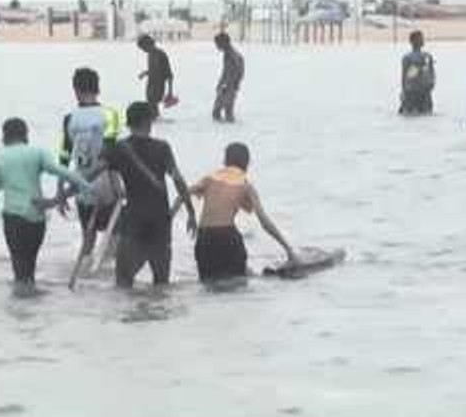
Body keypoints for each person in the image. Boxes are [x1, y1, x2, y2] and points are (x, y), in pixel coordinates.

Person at [0, 118, 91, 289]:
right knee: (30, 265)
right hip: (37, 219)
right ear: (26, 135)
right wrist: (87, 186)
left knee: (19, 270)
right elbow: (61, 171)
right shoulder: (38, 153)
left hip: (14, 219)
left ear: (4, 137)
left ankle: (23, 300)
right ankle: (31, 297)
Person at [99, 101, 196, 288]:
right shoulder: (162, 148)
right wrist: (191, 212)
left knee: (123, 284)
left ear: (129, 123)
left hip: (133, 220)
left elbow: (101, 170)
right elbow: (178, 180)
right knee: (161, 284)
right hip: (160, 221)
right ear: (148, 121)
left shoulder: (119, 148)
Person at [189, 143, 295, 281]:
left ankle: (254, 273)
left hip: (204, 239)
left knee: (209, 284)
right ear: (247, 164)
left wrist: (187, 215)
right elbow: (264, 222)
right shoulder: (245, 185)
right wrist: (288, 249)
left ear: (225, 162)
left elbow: (183, 193)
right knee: (238, 283)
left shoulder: (209, 179)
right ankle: (270, 277)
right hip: (227, 237)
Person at [56, 67, 124, 265]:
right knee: (115, 234)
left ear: (76, 90)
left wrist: (60, 189)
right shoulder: (110, 115)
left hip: (81, 186)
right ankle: (105, 274)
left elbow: (64, 156)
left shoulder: (69, 118)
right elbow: (110, 154)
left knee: (88, 237)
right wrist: (117, 185)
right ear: (98, 88)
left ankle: (83, 272)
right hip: (106, 184)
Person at [137, 34, 174, 119]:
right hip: (151, 84)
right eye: (142, 49)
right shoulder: (150, 54)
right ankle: (156, 121)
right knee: (152, 106)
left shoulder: (161, 54)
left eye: (143, 48)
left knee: (153, 104)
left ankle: (155, 120)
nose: (143, 50)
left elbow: (169, 74)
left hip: (158, 85)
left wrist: (170, 92)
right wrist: (145, 73)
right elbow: (153, 70)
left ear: (148, 44)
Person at [399, 30, 435, 115]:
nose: (422, 41)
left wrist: (431, 84)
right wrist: (404, 92)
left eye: (422, 38)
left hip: (424, 91)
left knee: (426, 114)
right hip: (412, 92)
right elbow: (405, 76)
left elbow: (431, 73)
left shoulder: (427, 56)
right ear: (412, 41)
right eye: (419, 39)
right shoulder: (407, 58)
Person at [212, 31, 244, 122]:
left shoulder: (231, 55)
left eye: (217, 44)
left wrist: (225, 85)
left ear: (223, 43)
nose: (216, 46)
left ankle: (226, 129)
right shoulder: (230, 53)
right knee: (226, 111)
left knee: (218, 111)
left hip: (228, 87)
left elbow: (233, 72)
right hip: (229, 86)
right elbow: (227, 72)